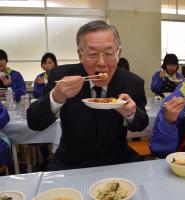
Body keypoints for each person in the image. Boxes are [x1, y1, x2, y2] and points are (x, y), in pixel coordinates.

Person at [27, 20, 149, 170]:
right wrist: (56, 97)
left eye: (109, 53)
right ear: (80, 54)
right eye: (92, 54)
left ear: (119, 53)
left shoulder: (132, 82)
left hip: (117, 159)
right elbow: (34, 122)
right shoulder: (61, 77)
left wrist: (131, 113)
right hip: (70, 161)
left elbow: (141, 124)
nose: (101, 63)